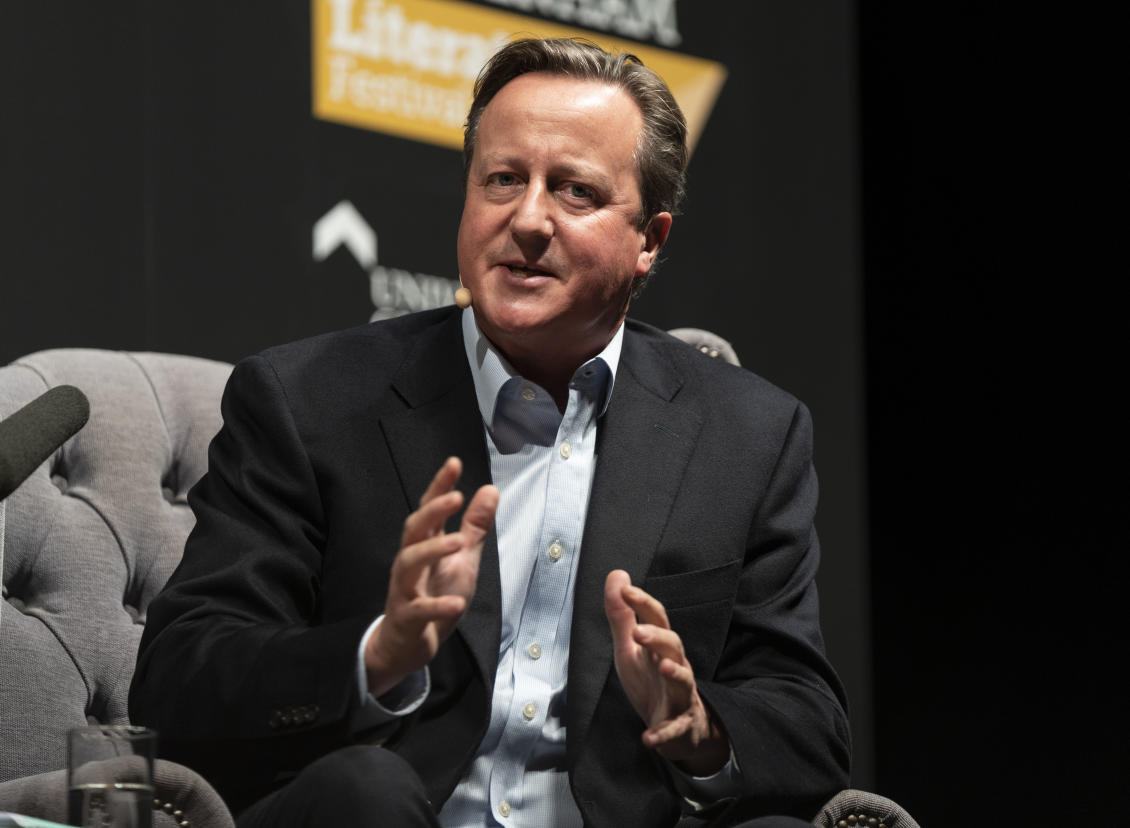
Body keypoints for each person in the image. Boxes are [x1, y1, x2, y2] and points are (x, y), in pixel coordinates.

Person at [129, 37, 850, 828]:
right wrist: (378, 655)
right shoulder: (307, 402)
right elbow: (179, 679)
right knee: (363, 796)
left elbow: (807, 725)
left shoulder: (748, 435)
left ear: (650, 241)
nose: (528, 219)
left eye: (574, 191)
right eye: (503, 179)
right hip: (389, 815)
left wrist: (697, 725)